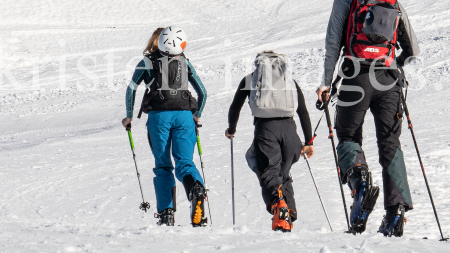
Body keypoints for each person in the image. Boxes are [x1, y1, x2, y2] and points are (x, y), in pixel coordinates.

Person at [316, 0, 419, 237]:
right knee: (390, 142)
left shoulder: (345, 0)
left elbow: (332, 46)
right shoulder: (391, 1)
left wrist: (326, 84)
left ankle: (359, 182)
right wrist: (392, 63)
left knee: (348, 136)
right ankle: (395, 211)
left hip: (355, 78)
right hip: (388, 80)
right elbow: (412, 50)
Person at [123, 26, 209, 227]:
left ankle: (166, 214)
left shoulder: (146, 62)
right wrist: (196, 116)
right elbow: (203, 92)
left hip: (159, 117)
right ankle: (196, 189)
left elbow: (131, 89)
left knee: (163, 165)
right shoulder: (185, 62)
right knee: (185, 162)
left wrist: (128, 117)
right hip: (184, 116)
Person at [225, 52, 314, 232]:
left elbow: (235, 107)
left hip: (266, 129)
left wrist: (231, 129)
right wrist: (309, 141)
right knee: (284, 173)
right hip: (290, 131)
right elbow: (303, 111)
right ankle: (288, 214)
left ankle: (277, 205)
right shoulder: (289, 80)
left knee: (268, 172)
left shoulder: (250, 79)